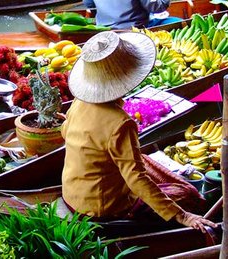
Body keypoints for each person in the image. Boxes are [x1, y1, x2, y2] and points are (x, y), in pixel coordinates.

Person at [62, 31, 216, 232]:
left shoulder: (80, 102)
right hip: (101, 207)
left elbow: (66, 132)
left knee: (144, 159)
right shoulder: (120, 123)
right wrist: (182, 215)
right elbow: (136, 178)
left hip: (72, 193)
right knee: (186, 193)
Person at [83, 0, 183, 29]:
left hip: (103, 29)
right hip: (136, 28)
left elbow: (89, 4)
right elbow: (157, 7)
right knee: (180, 23)